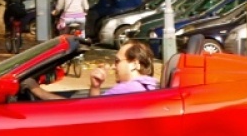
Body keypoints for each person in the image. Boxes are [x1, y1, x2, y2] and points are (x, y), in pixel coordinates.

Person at [21, 40, 159, 100]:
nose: (113, 66)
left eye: (117, 61)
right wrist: (95, 86)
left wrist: (37, 90)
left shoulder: (128, 90)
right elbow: (95, 109)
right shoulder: (147, 86)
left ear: (134, 64)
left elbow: (82, 111)